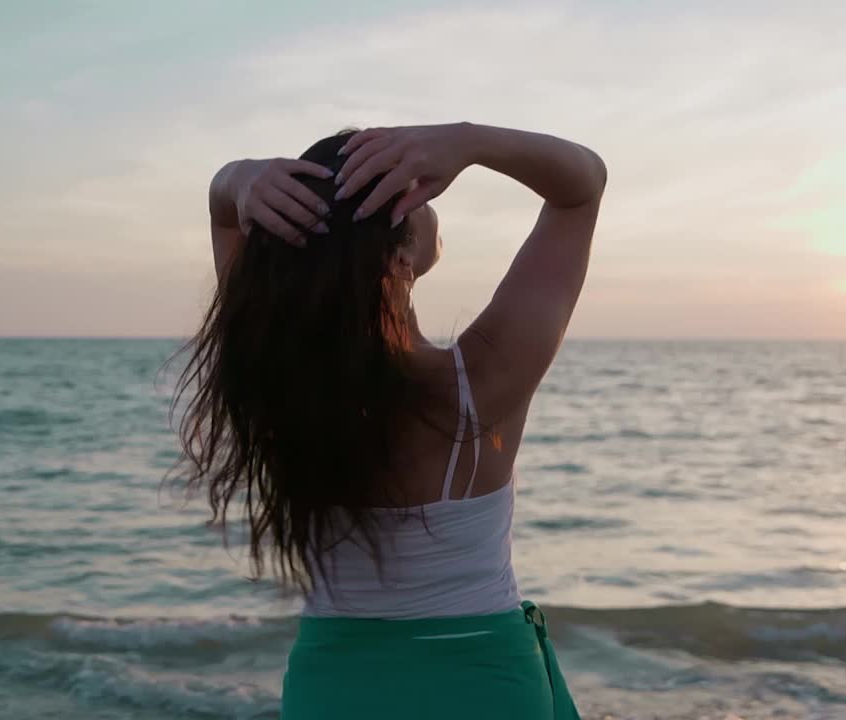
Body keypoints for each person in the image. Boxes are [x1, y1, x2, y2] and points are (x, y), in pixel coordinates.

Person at [172, 123, 606, 719]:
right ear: (401, 258)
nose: (430, 200)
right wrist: (469, 142)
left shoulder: (272, 379)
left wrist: (239, 178)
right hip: (483, 680)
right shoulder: (480, 383)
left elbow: (225, 216)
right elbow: (581, 186)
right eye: (418, 196)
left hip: (334, 687)